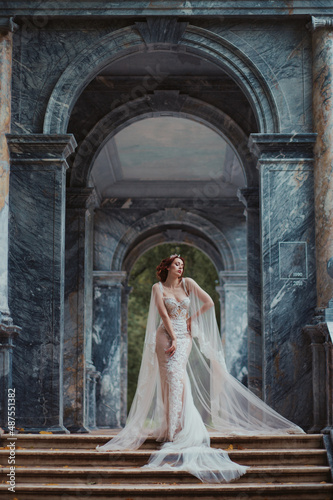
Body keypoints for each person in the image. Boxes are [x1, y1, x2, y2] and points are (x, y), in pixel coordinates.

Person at [97, 254, 304, 483]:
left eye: (182, 265)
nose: (180, 267)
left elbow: (209, 302)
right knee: (169, 380)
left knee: (177, 377)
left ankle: (180, 429)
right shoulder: (158, 288)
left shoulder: (189, 284)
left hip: (184, 338)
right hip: (164, 337)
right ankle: (169, 428)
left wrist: (190, 320)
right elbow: (163, 314)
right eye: (177, 264)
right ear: (166, 266)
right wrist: (172, 336)